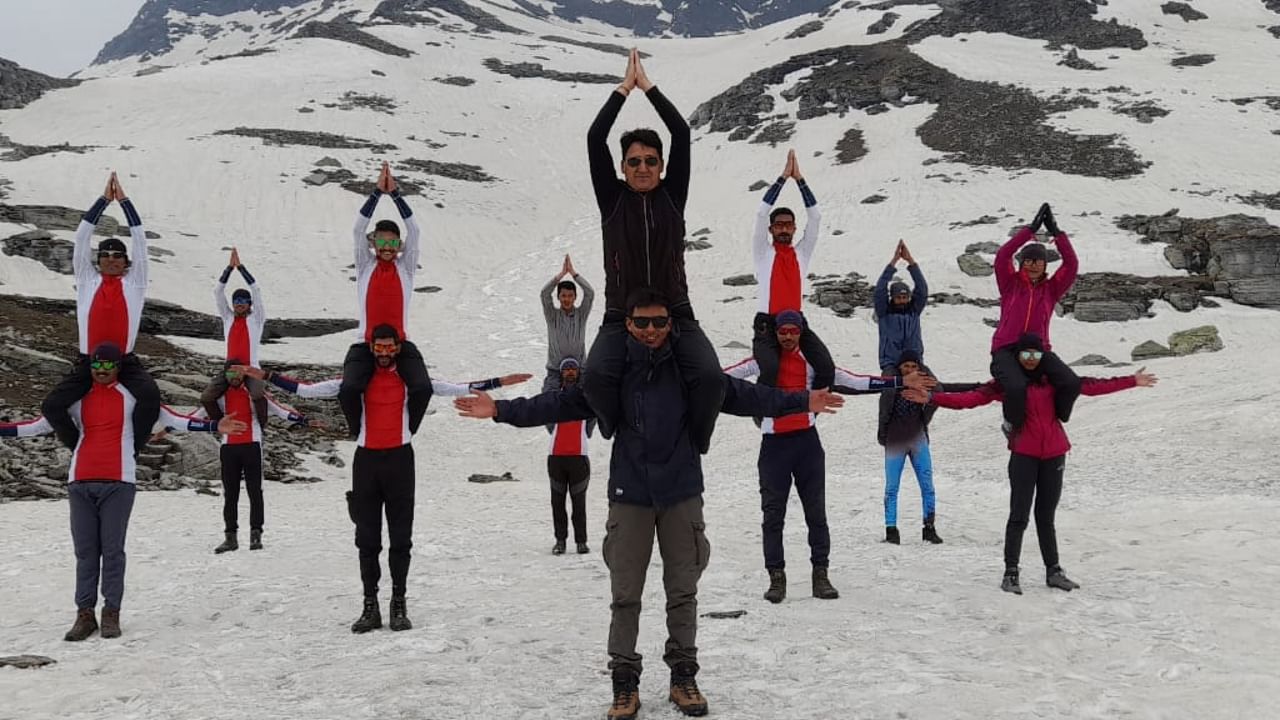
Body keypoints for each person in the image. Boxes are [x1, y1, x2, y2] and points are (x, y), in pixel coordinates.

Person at [454, 288, 844, 720]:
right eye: (642, 323)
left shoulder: (690, 372)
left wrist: (801, 399)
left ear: (671, 324)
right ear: (629, 326)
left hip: (681, 494)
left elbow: (745, 395)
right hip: (630, 496)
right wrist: (500, 410)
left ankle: (683, 677)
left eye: (659, 322)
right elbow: (558, 403)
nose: (652, 330)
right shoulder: (614, 376)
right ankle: (625, 683)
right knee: (625, 596)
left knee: (683, 592)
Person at [235, 331, 530, 634]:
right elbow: (306, 390)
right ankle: (370, 605)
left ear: (398, 348)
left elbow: (453, 387)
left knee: (401, 539)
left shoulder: (408, 378)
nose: (385, 352)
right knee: (367, 539)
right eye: (379, 347)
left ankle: (398, 603)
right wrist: (267, 375)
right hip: (367, 462)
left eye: (390, 347)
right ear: (372, 348)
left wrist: (499, 382)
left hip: (401, 461)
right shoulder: (355, 380)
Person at [2, 342, 245, 642]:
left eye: (107, 366)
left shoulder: (132, 397)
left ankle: (111, 612)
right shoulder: (76, 400)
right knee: (86, 552)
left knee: (112, 551)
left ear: (118, 366)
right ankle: (84, 613)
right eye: (96, 366)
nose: (101, 371)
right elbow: (38, 425)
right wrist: (5, 429)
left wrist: (213, 425)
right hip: (80, 481)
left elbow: (172, 418)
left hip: (119, 482)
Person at [905, 333, 1158, 594]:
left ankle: (1054, 571)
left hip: (1054, 455)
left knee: (1045, 517)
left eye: (1035, 355)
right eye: (1024, 355)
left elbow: (1092, 386)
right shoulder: (1006, 385)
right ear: (1016, 357)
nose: (1030, 360)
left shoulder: (1054, 380)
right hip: (1024, 456)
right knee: (1019, 516)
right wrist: (933, 398)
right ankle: (1011, 573)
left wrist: (1131, 381)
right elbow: (971, 399)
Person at [724, 310, 933, 603]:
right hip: (773, 446)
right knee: (773, 516)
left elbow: (857, 381)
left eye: (792, 331)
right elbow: (722, 378)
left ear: (800, 333)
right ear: (775, 333)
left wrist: (900, 382)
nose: (787, 336)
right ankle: (777, 578)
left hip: (807, 443)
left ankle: (820, 575)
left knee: (816, 514)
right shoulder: (763, 362)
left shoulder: (814, 363)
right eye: (782, 331)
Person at [584, 48, 724, 455]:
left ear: (662, 166)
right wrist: (623, 90)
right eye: (633, 162)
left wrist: (649, 87)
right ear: (622, 168)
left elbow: (681, 133)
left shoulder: (671, 196)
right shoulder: (612, 199)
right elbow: (595, 138)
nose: (642, 168)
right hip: (619, 313)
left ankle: (698, 439)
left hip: (675, 310)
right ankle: (612, 427)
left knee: (711, 379)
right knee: (595, 378)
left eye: (649, 161)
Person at [41, 172, 161, 456]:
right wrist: (103, 201)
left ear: (125, 262)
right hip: (88, 362)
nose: (110, 259)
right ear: (98, 260)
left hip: (125, 362)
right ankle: (81, 446)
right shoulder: (86, 280)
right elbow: (81, 238)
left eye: (117, 256)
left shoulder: (135, 283)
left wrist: (126, 203)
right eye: (105, 255)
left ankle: (130, 449)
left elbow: (140, 242)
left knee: (150, 398)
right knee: (51, 407)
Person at [338, 162, 432, 440]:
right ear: (374, 244)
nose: (388, 248)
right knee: (349, 389)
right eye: (382, 243)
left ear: (399, 247)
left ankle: (408, 429)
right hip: (365, 343)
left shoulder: (406, 268)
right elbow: (357, 229)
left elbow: (414, 231)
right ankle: (357, 429)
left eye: (393, 244)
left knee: (422, 388)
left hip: (400, 344)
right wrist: (377, 193)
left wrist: (397, 194)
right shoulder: (365, 266)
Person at [195, 360, 314, 555]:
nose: (234, 377)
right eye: (230, 374)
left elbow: (280, 411)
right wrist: (168, 427)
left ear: (244, 374)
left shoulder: (254, 395)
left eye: (238, 373)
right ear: (224, 376)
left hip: (252, 446)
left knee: (254, 491)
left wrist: (303, 419)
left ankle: (256, 534)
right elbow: (197, 415)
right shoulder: (219, 397)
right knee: (230, 494)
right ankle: (230, 537)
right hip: (229, 447)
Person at [990, 203, 1081, 437]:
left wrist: (1056, 233)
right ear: (1022, 264)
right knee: (1016, 387)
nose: (1033, 264)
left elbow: (1071, 265)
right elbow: (1003, 256)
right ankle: (1012, 426)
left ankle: (1056, 418)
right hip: (1007, 349)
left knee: (1070, 383)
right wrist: (1029, 231)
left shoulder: (1051, 289)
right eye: (1029, 260)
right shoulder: (1010, 284)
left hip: (1038, 350)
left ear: (1044, 265)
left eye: (1038, 261)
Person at [749, 149, 835, 389]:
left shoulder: (802, 253)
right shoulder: (763, 252)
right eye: (779, 226)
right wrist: (782, 178)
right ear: (771, 230)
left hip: (797, 323)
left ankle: (810, 410)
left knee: (826, 368)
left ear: (795, 228)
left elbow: (816, 217)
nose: (784, 229)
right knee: (771, 370)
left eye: (788, 225)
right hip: (767, 325)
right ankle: (762, 413)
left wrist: (800, 180)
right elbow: (760, 212)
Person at [877, 350, 981, 545]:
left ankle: (929, 527)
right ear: (899, 368)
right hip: (895, 441)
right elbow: (882, 409)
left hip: (918, 439)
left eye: (913, 366)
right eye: (906, 366)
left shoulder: (925, 387)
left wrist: (976, 387)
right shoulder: (891, 386)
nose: (909, 369)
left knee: (927, 485)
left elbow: (946, 389)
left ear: (920, 368)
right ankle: (891, 530)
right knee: (892, 487)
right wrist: (883, 435)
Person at [201, 247, 268, 428]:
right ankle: (219, 424)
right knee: (207, 397)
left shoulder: (257, 319)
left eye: (242, 301)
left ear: (249, 304)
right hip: (230, 369)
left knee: (258, 394)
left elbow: (256, 290)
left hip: (251, 368)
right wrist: (228, 269)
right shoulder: (228, 317)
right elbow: (217, 292)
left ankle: (262, 427)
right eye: (236, 301)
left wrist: (241, 268)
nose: (239, 304)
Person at [545, 357, 594, 555]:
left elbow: (591, 422)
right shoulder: (553, 398)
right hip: (556, 458)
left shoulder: (586, 398)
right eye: (566, 369)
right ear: (561, 373)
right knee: (557, 502)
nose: (571, 372)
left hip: (578, 457)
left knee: (578, 503)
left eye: (574, 369)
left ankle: (581, 542)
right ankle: (560, 541)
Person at [541, 254, 595, 392]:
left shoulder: (581, 314)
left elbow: (589, 293)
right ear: (558, 297)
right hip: (555, 371)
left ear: (575, 297)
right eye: (563, 295)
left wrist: (574, 274)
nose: (567, 299)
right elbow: (544, 294)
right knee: (548, 401)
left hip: (580, 371)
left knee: (589, 401)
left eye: (570, 295)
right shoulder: (552, 315)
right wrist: (560, 275)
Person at [874, 240, 928, 373]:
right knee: (890, 391)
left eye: (905, 297)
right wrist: (893, 262)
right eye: (898, 297)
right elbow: (880, 289)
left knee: (935, 387)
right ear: (892, 297)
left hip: (914, 362)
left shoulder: (914, 310)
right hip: (891, 363)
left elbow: (922, 289)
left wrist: (911, 261)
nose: (902, 300)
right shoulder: (884, 312)